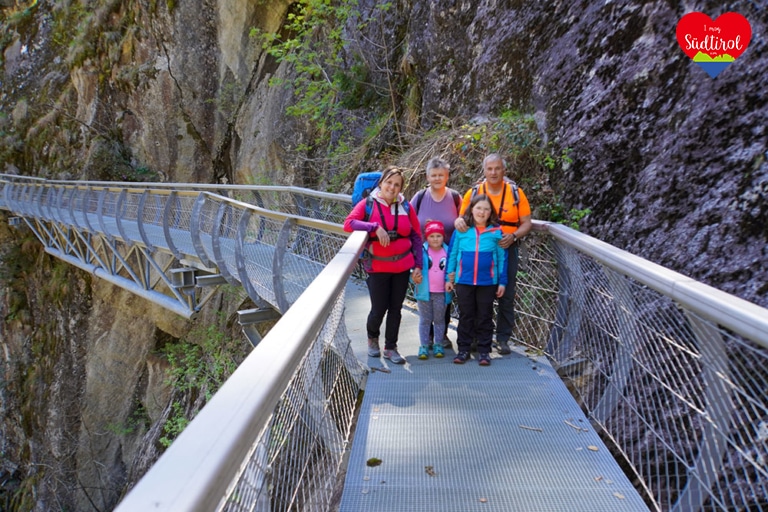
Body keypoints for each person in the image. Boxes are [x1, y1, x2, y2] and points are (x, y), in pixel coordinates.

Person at [454, 154, 532, 355]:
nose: (494, 172)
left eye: (497, 168)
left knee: (506, 293)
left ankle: (503, 338)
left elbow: (526, 223)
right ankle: (472, 339)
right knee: (474, 295)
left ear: (504, 170)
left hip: (507, 248)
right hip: (477, 249)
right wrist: (458, 223)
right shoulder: (474, 193)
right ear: (484, 171)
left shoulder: (516, 193)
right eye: (489, 169)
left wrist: (513, 236)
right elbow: (462, 219)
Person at [344, 166, 423, 364]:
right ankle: (372, 340)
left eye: (397, 184)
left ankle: (391, 347)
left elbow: (416, 235)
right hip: (378, 267)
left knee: (396, 309)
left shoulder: (406, 206)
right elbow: (349, 223)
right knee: (379, 308)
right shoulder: (368, 204)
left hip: (402, 267)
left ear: (401, 188)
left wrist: (418, 265)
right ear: (381, 183)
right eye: (389, 182)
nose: (392, 187)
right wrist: (374, 227)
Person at [446, 195, 507, 366]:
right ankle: (463, 349)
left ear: (491, 213)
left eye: (486, 209)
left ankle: (484, 351)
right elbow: (452, 254)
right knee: (466, 315)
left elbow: (502, 258)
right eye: (479, 208)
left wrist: (502, 282)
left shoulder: (496, 232)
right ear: (471, 209)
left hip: (488, 282)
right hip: (464, 280)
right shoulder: (462, 231)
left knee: (485, 316)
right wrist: (449, 276)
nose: (482, 212)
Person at [410, 157, 461, 348]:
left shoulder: (455, 197)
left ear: (447, 176)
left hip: (448, 257)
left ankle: (441, 334)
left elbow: (465, 220)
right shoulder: (420, 197)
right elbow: (408, 222)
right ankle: (428, 336)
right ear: (427, 176)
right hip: (424, 257)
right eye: (434, 175)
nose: (437, 178)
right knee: (426, 294)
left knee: (444, 295)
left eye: (441, 175)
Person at [413, 220, 454, 359]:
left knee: (439, 319)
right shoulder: (422, 251)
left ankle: (438, 344)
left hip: (442, 293)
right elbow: (414, 269)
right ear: (426, 237)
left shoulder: (448, 251)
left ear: (443, 237)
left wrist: (450, 280)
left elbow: (452, 269)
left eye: (438, 236)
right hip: (425, 292)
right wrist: (414, 277)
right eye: (432, 236)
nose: (435, 239)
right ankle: (424, 345)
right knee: (425, 319)